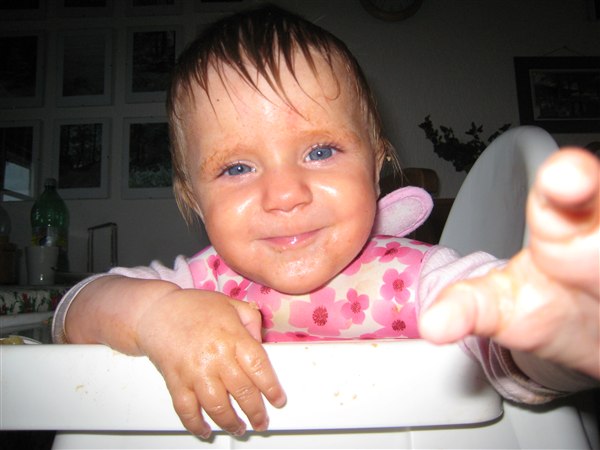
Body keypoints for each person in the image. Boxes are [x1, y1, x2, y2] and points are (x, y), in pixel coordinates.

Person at [52, 5, 599, 439]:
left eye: (320, 151)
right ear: (193, 198)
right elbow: (73, 314)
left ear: (376, 166)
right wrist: (156, 315)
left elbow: (508, 344)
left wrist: (557, 338)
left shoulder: (422, 281)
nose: (285, 194)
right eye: (237, 167)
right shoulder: (196, 289)